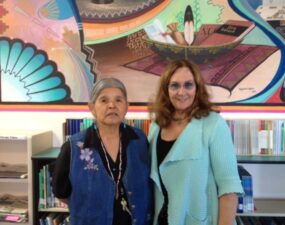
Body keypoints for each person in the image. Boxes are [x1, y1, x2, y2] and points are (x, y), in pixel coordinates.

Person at [148, 59, 243, 225]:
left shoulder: (213, 124)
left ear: (197, 88)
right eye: (175, 85)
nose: (181, 92)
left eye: (188, 85)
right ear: (166, 90)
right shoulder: (156, 126)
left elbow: (229, 189)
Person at [52, 78, 152, 225]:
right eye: (104, 100)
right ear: (92, 107)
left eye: (118, 100)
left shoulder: (139, 141)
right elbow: (61, 193)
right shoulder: (73, 147)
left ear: (126, 106)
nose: (112, 105)